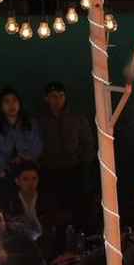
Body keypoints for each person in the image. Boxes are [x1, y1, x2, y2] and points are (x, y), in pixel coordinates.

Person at [37, 81, 93, 223]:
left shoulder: (77, 117)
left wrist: (84, 163)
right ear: (47, 98)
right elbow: (35, 145)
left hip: (74, 169)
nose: (58, 100)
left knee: (78, 208)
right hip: (50, 171)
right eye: (53, 96)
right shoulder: (40, 120)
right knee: (54, 210)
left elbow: (88, 142)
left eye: (61, 96)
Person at [0, 87, 43, 180]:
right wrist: (8, 162)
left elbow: (38, 145)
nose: (11, 105)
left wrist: (28, 156)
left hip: (27, 169)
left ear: (19, 103)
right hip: (3, 171)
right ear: (1, 106)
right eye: (7, 102)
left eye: (15, 100)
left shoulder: (30, 122)